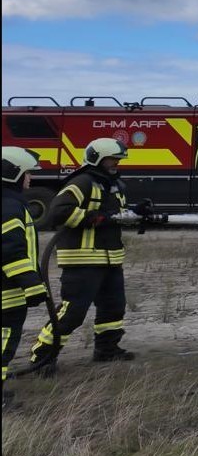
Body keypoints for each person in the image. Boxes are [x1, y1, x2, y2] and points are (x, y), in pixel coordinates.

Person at [29, 138, 136, 370]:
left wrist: (137, 213)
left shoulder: (114, 185)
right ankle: (43, 356)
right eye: (111, 159)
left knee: (114, 308)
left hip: (111, 259)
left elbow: (116, 214)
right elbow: (58, 212)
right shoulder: (81, 182)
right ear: (97, 159)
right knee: (73, 312)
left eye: (118, 159)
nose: (116, 163)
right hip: (82, 260)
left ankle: (107, 350)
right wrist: (95, 218)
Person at [2, 147, 48, 409]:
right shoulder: (9, 207)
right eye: (27, 173)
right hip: (6, 293)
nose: (30, 178)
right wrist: (31, 285)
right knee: (4, 342)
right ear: (13, 174)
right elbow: (9, 251)